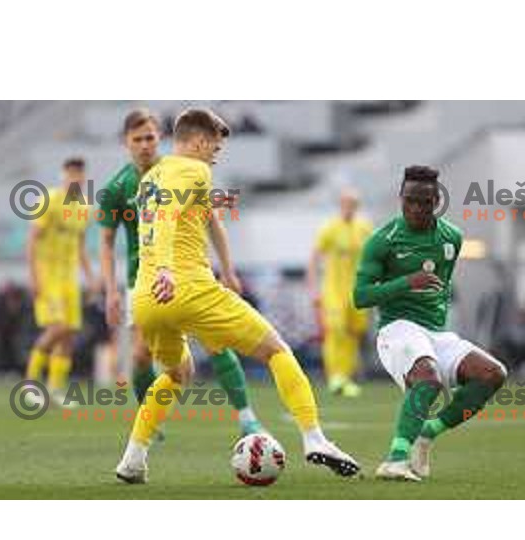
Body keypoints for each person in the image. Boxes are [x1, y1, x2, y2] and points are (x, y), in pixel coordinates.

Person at [116, 108, 360, 483]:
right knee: (276, 350)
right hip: (184, 286)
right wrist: (168, 267)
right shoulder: (193, 169)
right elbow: (168, 216)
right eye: (214, 144)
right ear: (197, 141)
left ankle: (133, 458)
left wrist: (227, 270)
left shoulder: (153, 175)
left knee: (177, 373)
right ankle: (315, 438)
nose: (216, 153)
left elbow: (205, 219)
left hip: (147, 298)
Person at [99, 108, 265, 436]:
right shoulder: (117, 187)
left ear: (160, 138)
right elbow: (106, 242)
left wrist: (228, 271)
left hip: (187, 274)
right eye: (138, 139)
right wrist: (111, 290)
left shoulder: (176, 170)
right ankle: (149, 423)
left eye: (150, 137)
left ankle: (246, 416)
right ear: (126, 143)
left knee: (216, 341)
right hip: (143, 280)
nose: (146, 145)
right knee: (142, 355)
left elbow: (212, 220)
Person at [354, 165, 507, 481]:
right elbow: (361, 296)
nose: (416, 208)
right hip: (397, 328)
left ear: (437, 201)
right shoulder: (382, 241)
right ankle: (395, 460)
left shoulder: (452, 237)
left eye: (425, 202)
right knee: (428, 378)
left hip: (436, 333)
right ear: (400, 198)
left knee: (493, 374)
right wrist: (407, 282)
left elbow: (443, 283)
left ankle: (426, 433)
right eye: (410, 200)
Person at [25, 157, 98, 402]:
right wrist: (33, 277)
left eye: (79, 174)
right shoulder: (50, 200)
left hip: (69, 279)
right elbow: (33, 240)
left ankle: (56, 389)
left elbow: (80, 247)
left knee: (68, 335)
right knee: (56, 328)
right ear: (63, 176)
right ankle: (31, 384)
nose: (75, 178)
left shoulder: (83, 207)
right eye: (71, 173)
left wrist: (90, 278)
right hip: (48, 276)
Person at [308, 189, 372, 397]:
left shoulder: (365, 228)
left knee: (353, 334)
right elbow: (314, 258)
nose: (349, 207)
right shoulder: (330, 228)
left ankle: (344, 377)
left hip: (358, 291)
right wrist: (313, 289)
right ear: (340, 204)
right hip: (333, 291)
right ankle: (334, 376)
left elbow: (373, 258)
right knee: (335, 331)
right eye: (345, 203)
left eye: (353, 203)